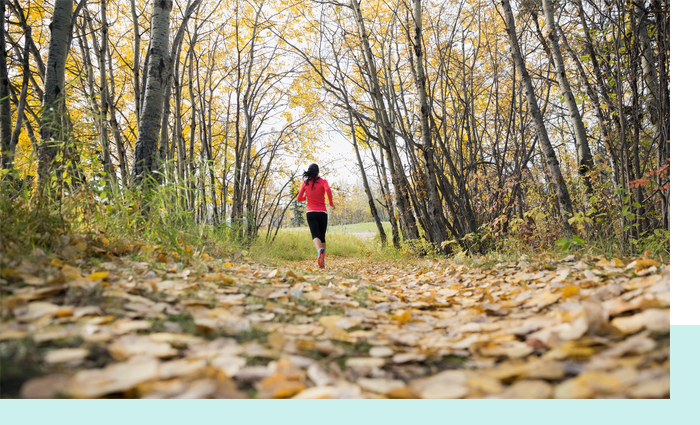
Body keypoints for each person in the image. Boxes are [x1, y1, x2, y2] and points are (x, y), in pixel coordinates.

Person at [296, 163, 335, 268]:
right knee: (322, 237)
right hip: (322, 212)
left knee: (315, 235)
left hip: (311, 212)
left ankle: (319, 252)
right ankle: (322, 261)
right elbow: (327, 190)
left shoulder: (305, 183)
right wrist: (331, 203)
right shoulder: (323, 181)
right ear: (318, 172)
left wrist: (305, 197)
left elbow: (299, 198)